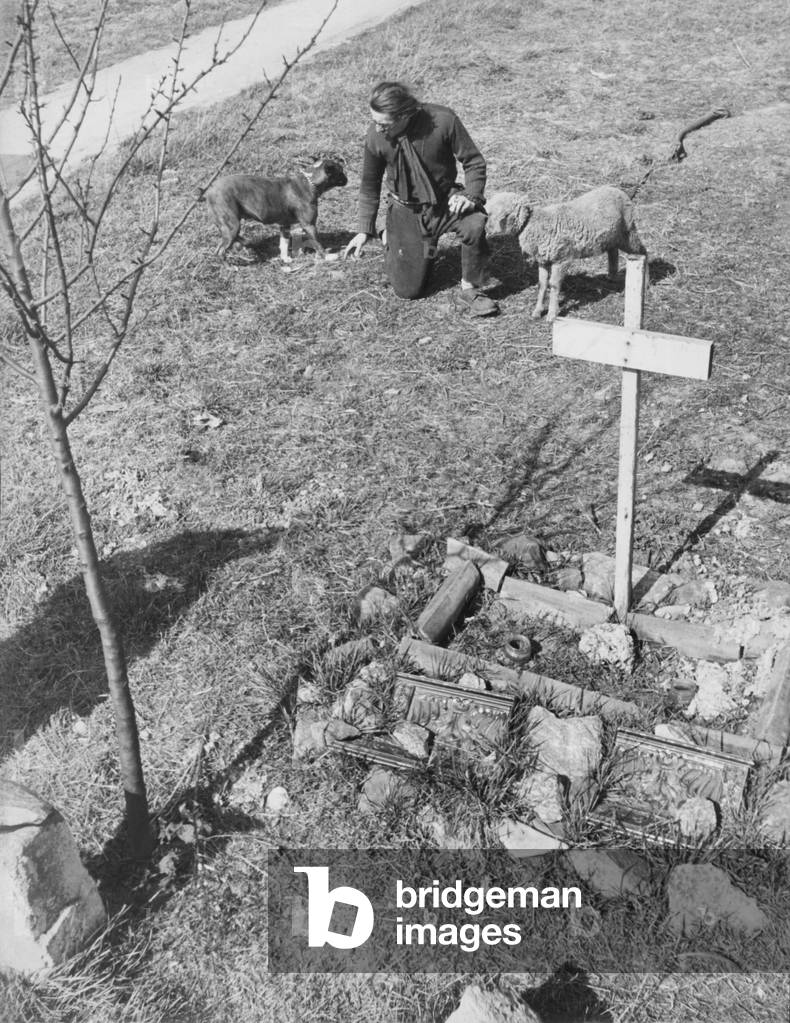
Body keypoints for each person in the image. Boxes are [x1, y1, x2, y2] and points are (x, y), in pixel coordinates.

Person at [343, 81, 499, 317]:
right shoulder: (376, 137)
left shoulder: (443, 120)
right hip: (405, 210)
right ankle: (390, 237)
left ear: (404, 115)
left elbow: (474, 162)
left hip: (445, 201)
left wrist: (471, 195)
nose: (378, 129)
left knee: (474, 223)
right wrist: (365, 229)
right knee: (409, 291)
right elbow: (369, 185)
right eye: (375, 122)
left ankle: (471, 289)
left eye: (384, 124)